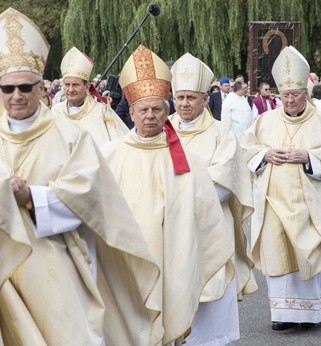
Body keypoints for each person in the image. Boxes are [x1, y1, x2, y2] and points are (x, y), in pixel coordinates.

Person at [0, 8, 160, 345]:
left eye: (25, 86)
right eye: (8, 88)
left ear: (41, 88)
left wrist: (32, 197)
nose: (16, 95)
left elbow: (89, 194)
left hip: (56, 260)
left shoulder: (70, 136)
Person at [101, 45, 234, 345]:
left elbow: (207, 217)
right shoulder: (109, 155)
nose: (150, 116)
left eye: (157, 109)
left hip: (173, 256)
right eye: (143, 110)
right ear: (131, 112)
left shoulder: (188, 160)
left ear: (167, 110)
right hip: (126, 261)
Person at [242, 46, 321, 331]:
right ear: (279, 95)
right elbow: (245, 150)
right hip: (272, 202)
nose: (289, 99)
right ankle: (282, 313)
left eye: (295, 94)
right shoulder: (264, 121)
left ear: (305, 93)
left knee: (309, 253)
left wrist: (309, 157)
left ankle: (308, 314)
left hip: (309, 204)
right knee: (277, 254)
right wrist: (264, 155)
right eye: (285, 95)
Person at [169, 52, 256, 344]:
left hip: (211, 228)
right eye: (179, 97)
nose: (184, 104)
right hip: (170, 230)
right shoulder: (160, 130)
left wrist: (174, 194)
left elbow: (222, 185)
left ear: (205, 99)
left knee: (212, 296)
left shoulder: (222, 133)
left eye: (191, 98)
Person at [52, 47, 128, 146]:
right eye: (67, 85)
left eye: (75, 85)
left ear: (87, 86)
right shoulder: (56, 112)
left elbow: (118, 145)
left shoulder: (102, 111)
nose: (70, 90)